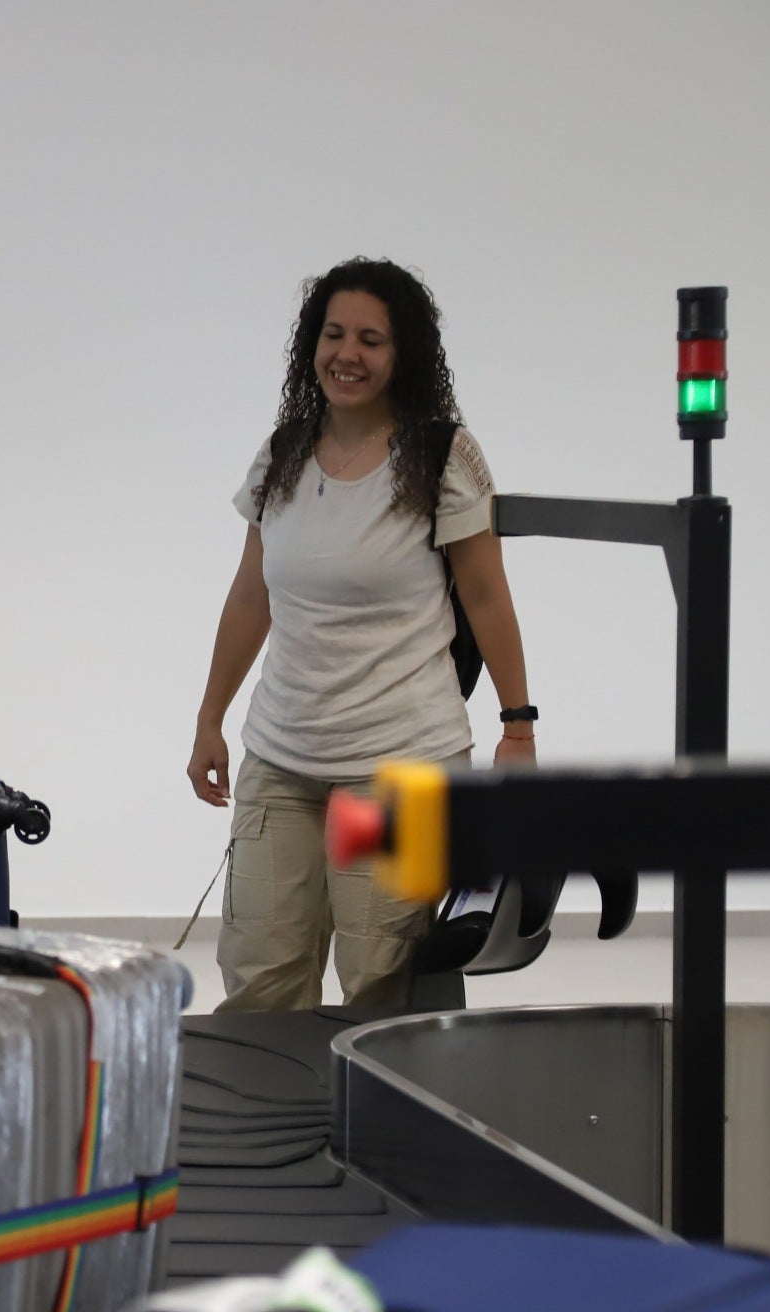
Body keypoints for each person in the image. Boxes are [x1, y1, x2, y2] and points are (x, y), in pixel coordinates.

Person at [186, 257, 537, 1012]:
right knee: (259, 982)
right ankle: (277, 1131)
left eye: (371, 339)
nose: (348, 354)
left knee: (385, 983)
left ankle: (385, 1131)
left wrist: (518, 725)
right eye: (334, 334)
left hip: (399, 769)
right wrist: (209, 719)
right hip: (282, 760)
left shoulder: (441, 456)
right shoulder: (283, 453)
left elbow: (485, 595)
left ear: (403, 352)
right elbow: (252, 597)